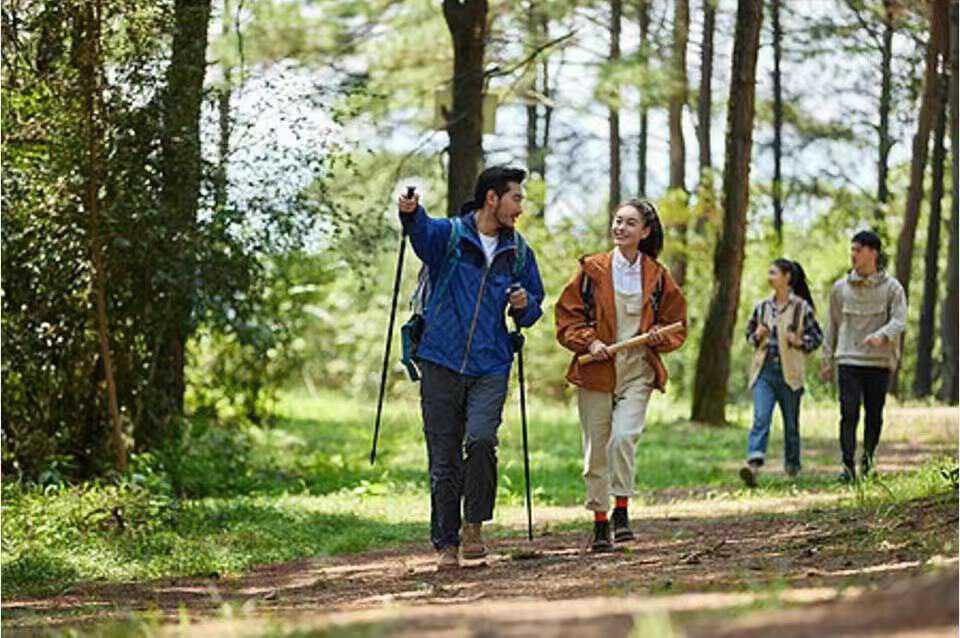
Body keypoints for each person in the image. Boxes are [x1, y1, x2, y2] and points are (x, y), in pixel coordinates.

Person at [397, 166, 545, 570]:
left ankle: (473, 526)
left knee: (480, 441)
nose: (520, 207)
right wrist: (410, 213)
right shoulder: (449, 235)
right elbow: (421, 233)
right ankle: (446, 542)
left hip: (491, 361)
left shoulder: (518, 252)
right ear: (492, 199)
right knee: (443, 457)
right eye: (516, 197)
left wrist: (523, 306)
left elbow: (534, 306)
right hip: (440, 358)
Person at [555, 199, 687, 552]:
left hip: (637, 369)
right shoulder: (592, 270)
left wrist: (659, 333)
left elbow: (677, 322)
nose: (620, 228)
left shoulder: (658, 275)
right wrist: (591, 341)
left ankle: (622, 511)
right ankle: (600, 521)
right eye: (617, 221)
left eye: (630, 223)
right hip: (597, 370)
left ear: (645, 232)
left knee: (623, 437)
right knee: (596, 449)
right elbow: (567, 319)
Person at [821, 230, 907, 482]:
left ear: (873, 252)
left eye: (858, 250)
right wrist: (827, 358)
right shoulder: (840, 289)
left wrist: (882, 335)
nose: (853, 255)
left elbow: (900, 320)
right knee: (848, 412)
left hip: (878, 362)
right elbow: (832, 325)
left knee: (874, 414)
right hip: (848, 359)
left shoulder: (892, 288)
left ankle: (868, 461)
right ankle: (847, 466)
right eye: (852, 250)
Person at [740, 259, 823, 487]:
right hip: (764, 372)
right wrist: (757, 335)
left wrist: (798, 341)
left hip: (790, 374)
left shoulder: (801, 308)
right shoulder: (762, 307)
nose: (770, 277)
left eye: (773, 272)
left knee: (791, 424)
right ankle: (753, 464)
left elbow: (817, 338)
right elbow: (749, 336)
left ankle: (792, 468)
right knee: (760, 418)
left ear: (787, 277)